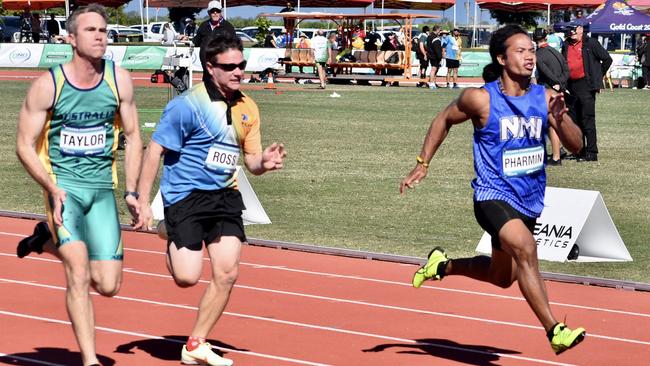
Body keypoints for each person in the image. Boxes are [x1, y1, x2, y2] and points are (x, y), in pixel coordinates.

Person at [400, 25, 586, 355]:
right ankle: (555, 330)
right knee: (527, 249)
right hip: (492, 195)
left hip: (530, 199)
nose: (530, 57)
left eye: (532, 50)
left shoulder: (546, 98)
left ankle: (442, 265)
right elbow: (443, 119)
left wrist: (562, 118)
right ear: (501, 58)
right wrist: (422, 163)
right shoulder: (481, 98)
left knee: (503, 278)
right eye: (521, 51)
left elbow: (576, 146)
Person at [135, 33, 286, 366]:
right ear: (209, 67)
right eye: (229, 66)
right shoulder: (186, 106)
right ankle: (167, 228)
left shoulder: (248, 107)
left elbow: (252, 161)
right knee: (187, 278)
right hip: (186, 197)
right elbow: (155, 150)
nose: (238, 72)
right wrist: (143, 200)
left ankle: (195, 343)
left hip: (226, 197)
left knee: (227, 273)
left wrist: (266, 163)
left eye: (241, 65)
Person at [15, 4, 143, 366]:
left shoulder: (119, 80)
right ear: (71, 38)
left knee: (108, 285)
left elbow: (134, 137)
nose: (101, 36)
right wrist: (51, 188)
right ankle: (89, 360)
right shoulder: (48, 85)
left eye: (104, 30)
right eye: (91, 30)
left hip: (102, 190)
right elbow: (23, 145)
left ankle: (45, 239)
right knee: (78, 272)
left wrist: (132, 192)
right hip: (64, 190)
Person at [561, 24, 612, 162]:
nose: (572, 34)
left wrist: (597, 75)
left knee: (587, 118)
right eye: (570, 32)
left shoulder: (591, 43)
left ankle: (591, 152)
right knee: (574, 119)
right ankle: (579, 150)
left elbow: (607, 59)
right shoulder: (566, 43)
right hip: (570, 85)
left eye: (574, 31)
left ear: (581, 30)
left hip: (586, 85)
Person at [533, 27, 570, 166]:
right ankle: (558, 150)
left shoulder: (539, 54)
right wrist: (561, 83)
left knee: (551, 125)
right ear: (546, 38)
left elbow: (545, 72)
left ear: (533, 39)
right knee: (555, 123)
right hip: (559, 89)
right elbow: (567, 69)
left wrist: (555, 83)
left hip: (548, 91)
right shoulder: (556, 52)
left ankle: (556, 157)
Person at [192, 1, 236, 81]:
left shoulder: (228, 27)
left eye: (217, 11)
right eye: (212, 11)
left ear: (221, 12)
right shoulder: (203, 26)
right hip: (206, 64)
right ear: (209, 12)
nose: (215, 13)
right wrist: (186, 39)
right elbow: (196, 41)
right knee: (207, 86)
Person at [426, 25, 443, 89]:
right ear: (437, 30)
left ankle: (433, 82)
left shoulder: (429, 36)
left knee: (434, 69)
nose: (440, 32)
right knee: (433, 69)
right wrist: (440, 57)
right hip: (434, 56)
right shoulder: (435, 38)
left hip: (431, 55)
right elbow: (437, 49)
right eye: (440, 30)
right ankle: (431, 83)